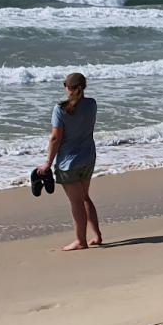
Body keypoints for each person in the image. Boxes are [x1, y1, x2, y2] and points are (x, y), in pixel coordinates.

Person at [37, 72, 103, 251]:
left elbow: (55, 138)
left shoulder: (60, 109)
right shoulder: (92, 104)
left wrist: (47, 163)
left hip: (68, 163)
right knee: (85, 198)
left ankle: (80, 241)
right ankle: (96, 235)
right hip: (88, 158)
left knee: (76, 203)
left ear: (69, 88)